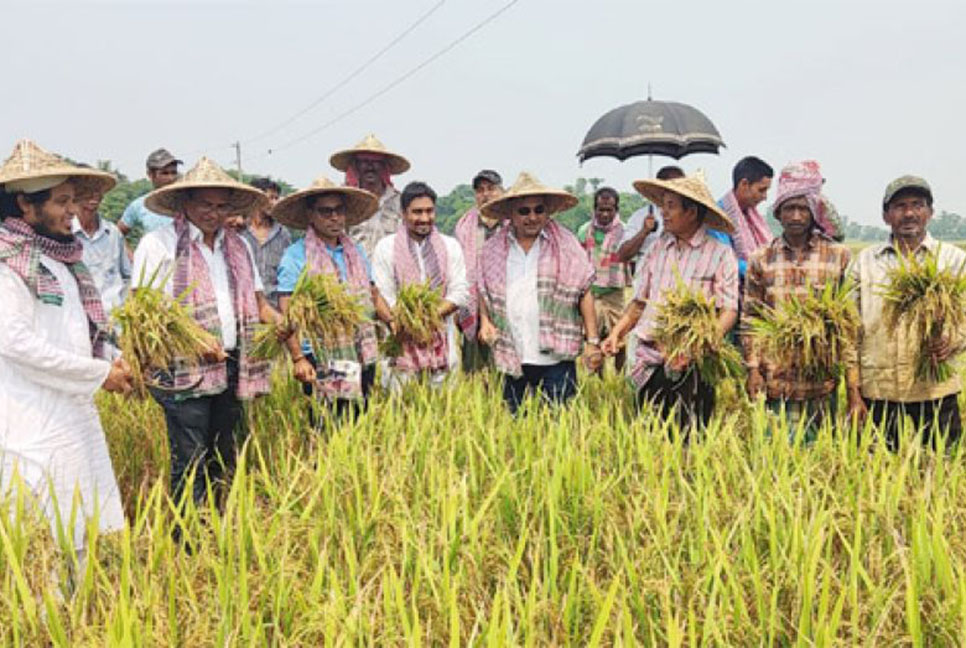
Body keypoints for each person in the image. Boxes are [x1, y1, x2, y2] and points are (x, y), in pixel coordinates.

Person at [132, 157, 299, 511]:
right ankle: (187, 538)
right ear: (184, 203)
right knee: (190, 456)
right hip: (182, 371)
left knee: (223, 453)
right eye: (205, 204)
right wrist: (194, 340)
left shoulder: (237, 247)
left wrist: (282, 322)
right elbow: (147, 314)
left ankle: (217, 525)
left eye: (221, 205)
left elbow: (258, 303)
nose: (214, 212)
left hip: (231, 362)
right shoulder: (158, 245)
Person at [0, 139, 131, 561]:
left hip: (72, 412)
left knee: (83, 522)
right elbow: (15, 342)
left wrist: (110, 358)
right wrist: (96, 374)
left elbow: (79, 328)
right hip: (32, 420)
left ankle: (81, 621)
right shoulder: (8, 264)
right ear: (25, 204)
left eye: (73, 200)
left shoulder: (64, 259)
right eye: (62, 201)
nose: (72, 210)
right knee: (43, 537)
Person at [602, 173, 738, 431]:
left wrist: (698, 346)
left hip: (694, 362)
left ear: (692, 212)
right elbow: (639, 302)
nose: (663, 212)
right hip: (651, 357)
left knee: (691, 436)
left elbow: (728, 309)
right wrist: (617, 333)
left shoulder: (720, 254)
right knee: (650, 434)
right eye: (663, 205)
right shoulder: (658, 249)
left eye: (671, 206)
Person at [743, 162, 863, 442]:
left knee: (823, 458)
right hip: (775, 381)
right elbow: (751, 319)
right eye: (789, 208)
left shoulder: (838, 256)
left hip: (822, 383)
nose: (796, 216)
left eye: (803, 208)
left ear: (813, 212)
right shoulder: (761, 259)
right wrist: (752, 369)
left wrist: (854, 390)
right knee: (775, 462)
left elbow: (848, 328)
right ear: (778, 213)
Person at [851, 176, 966, 451]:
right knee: (876, 478)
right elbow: (848, 330)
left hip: (936, 390)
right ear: (886, 215)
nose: (910, 213)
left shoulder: (952, 260)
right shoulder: (865, 262)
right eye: (900, 206)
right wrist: (853, 393)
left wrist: (953, 340)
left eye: (918, 205)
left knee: (944, 472)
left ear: (930, 213)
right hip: (879, 391)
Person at [477, 172, 601, 413]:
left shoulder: (566, 244)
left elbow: (584, 289)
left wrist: (593, 341)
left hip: (555, 357)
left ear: (548, 212)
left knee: (559, 426)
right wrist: (484, 320)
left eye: (539, 210)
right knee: (515, 427)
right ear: (511, 213)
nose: (532, 217)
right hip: (512, 353)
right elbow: (483, 287)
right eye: (524, 211)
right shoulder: (493, 248)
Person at [273, 176, 390, 417]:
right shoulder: (295, 257)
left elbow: (373, 294)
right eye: (325, 212)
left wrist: (393, 320)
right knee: (325, 422)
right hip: (319, 355)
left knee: (359, 417)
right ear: (310, 215)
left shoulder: (355, 252)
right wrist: (298, 358)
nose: (334, 217)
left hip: (359, 350)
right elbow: (287, 313)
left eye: (339, 210)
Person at [371, 181, 468, 388]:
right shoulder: (386, 248)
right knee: (401, 410)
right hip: (401, 344)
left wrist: (428, 317)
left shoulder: (450, 246)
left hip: (442, 344)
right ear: (403, 213)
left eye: (429, 211)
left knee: (443, 410)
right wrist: (406, 322)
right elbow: (384, 293)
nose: (424, 218)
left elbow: (459, 292)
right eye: (417, 212)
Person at [453, 169, 504, 373]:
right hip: (472, 302)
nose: (485, 194)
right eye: (480, 190)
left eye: (491, 189)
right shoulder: (465, 226)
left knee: (503, 364)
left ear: (501, 191)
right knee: (473, 367)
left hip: (504, 299)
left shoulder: (511, 222)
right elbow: (458, 267)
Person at [330, 134, 409, 258]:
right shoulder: (346, 200)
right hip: (353, 271)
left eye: (376, 162)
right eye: (365, 162)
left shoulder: (399, 202)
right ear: (356, 166)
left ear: (384, 167)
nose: (370, 167)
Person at [577, 187, 630, 372]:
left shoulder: (624, 231)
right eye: (601, 209)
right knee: (594, 336)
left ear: (616, 210)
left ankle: (620, 376)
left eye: (610, 210)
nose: (605, 214)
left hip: (614, 292)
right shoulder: (585, 231)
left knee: (620, 338)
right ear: (594, 209)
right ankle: (597, 379)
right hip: (591, 292)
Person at [709, 156, 774, 279]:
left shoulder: (751, 215)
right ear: (744, 184)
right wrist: (761, 270)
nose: (765, 196)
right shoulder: (717, 217)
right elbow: (724, 261)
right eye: (761, 190)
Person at [72, 179, 131, 314]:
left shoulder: (112, 233)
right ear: (74, 194)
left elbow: (127, 276)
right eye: (86, 190)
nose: (93, 196)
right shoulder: (65, 235)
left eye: (97, 191)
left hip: (114, 321)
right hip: (80, 321)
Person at [617, 165, 685, 270]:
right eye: (674, 186)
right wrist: (644, 232)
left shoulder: (690, 216)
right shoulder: (641, 216)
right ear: (659, 188)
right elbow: (622, 255)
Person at [239, 177, 291, 308]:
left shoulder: (282, 234)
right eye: (271, 198)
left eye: (276, 198)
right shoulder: (240, 232)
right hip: (244, 306)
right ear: (257, 198)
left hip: (275, 307)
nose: (275, 203)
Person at [118, 148, 182, 243]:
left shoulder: (187, 202)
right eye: (165, 173)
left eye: (173, 172)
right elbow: (118, 234)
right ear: (150, 175)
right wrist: (132, 257)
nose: (171, 178)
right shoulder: (140, 205)